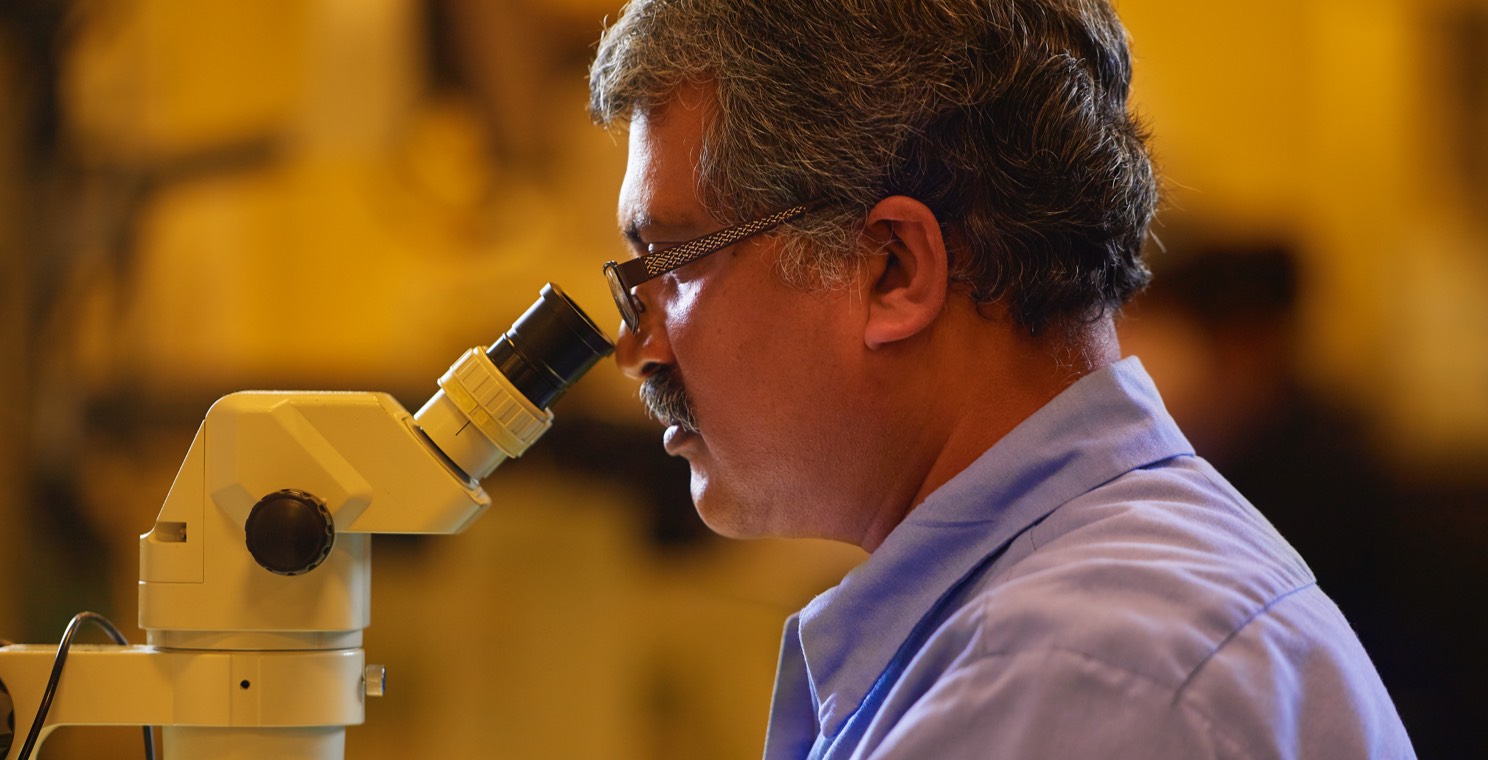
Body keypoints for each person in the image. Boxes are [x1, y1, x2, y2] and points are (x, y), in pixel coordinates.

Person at [588, 1, 1415, 757]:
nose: (638, 344)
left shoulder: (1067, 680)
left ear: (895, 270)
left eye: (669, 264)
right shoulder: (1114, 608)